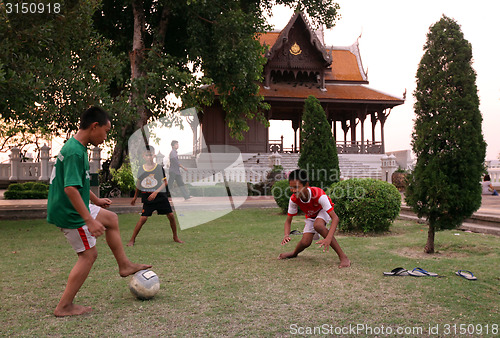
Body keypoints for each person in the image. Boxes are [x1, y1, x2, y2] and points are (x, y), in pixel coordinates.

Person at [47, 106, 151, 317]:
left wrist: (95, 200)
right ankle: (64, 306)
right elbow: (70, 189)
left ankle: (124, 265)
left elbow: (77, 183)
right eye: (105, 131)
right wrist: (90, 220)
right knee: (88, 255)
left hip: (75, 206)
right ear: (94, 126)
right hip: (71, 212)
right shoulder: (75, 152)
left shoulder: (76, 147)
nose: (106, 136)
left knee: (111, 218)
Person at [279, 168, 351, 268]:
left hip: (323, 211)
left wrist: (328, 238)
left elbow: (335, 218)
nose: (294, 190)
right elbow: (288, 221)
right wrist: (286, 235)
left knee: (318, 225)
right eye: (291, 187)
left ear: (306, 185)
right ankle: (294, 253)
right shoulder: (294, 199)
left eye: (296, 187)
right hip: (311, 215)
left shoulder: (319, 195)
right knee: (305, 242)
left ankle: (343, 257)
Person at [127, 145, 183, 246]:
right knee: (143, 218)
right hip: (148, 198)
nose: (149, 157)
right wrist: (135, 197)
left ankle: (175, 236)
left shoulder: (158, 168)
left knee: (171, 216)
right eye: (147, 155)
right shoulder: (141, 169)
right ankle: (132, 239)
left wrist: (155, 192)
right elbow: (138, 184)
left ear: (154, 155)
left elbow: (165, 183)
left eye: (151, 155)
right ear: (143, 156)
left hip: (161, 197)